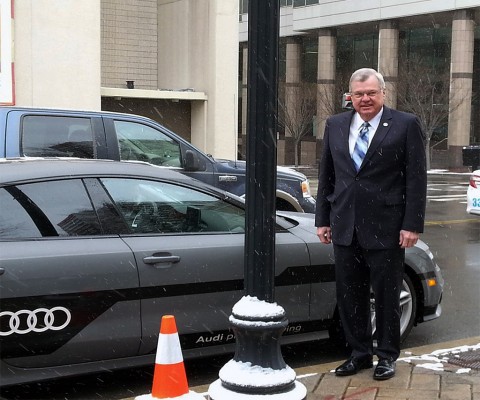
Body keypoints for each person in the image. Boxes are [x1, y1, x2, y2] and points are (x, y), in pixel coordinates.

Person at [315, 68, 427, 380]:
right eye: (359, 94)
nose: (365, 99)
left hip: (387, 226)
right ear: (349, 96)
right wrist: (322, 219)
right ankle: (359, 353)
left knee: (387, 293)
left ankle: (387, 355)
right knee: (350, 294)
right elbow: (328, 175)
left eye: (371, 93)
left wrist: (412, 224)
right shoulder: (335, 124)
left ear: (382, 94)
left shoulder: (405, 124)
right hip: (345, 225)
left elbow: (416, 178)